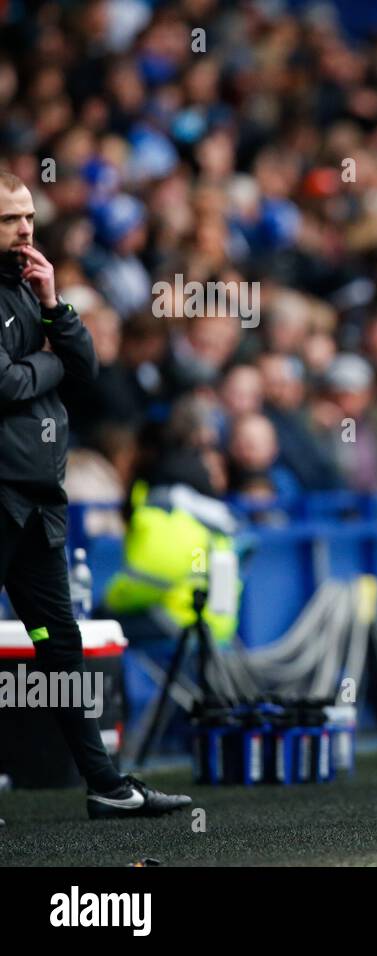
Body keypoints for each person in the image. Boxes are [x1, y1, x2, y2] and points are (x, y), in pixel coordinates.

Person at [0, 171, 190, 818]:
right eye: (9, 220)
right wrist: (47, 359)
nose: (25, 229)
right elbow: (3, 385)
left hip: (37, 498)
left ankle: (105, 784)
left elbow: (84, 367)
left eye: (27, 216)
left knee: (60, 644)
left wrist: (54, 306)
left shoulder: (29, 286)